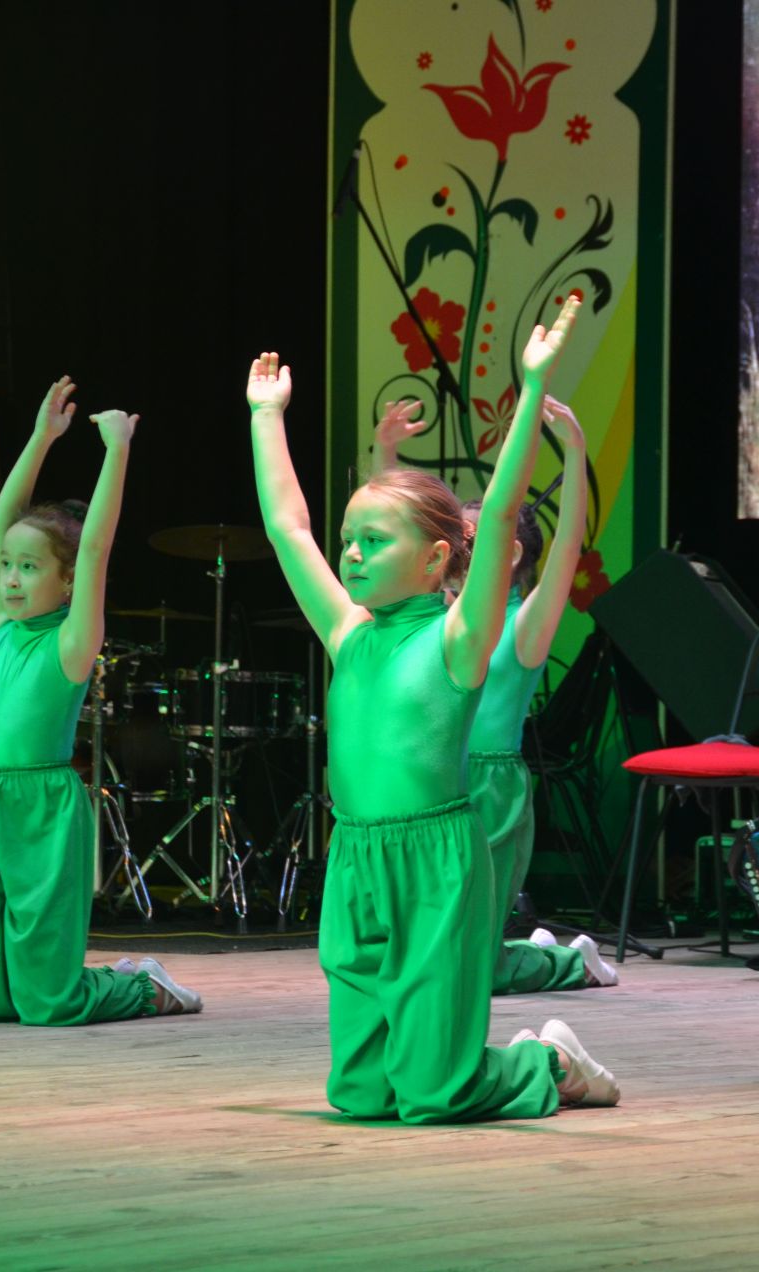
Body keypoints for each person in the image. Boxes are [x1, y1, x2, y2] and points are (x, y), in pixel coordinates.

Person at [248, 294, 619, 1123]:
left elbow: (496, 522)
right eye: (350, 539)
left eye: (374, 542)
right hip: (358, 860)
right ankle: (477, 1064)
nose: (350, 553)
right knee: (359, 1095)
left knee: (432, 1094)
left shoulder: (460, 640)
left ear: (437, 559)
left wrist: (530, 390)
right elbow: (285, 527)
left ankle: (545, 1061)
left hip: (438, 865)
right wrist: (266, 417)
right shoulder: (349, 633)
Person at [0, 375, 200, 1026]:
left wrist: (116, 449)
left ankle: (140, 987)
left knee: (47, 1003)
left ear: (66, 583)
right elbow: (1, 524)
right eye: (8, 566)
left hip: (42, 808)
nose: (9, 577)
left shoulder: (71, 643)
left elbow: (95, 544)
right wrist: (41, 438)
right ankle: (38, 983)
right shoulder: (1, 628)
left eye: (29, 568)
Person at [374, 396, 617, 994]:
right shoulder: (439, 616)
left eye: (469, 535)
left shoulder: (525, 624)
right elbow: (395, 532)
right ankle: (519, 948)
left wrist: (580, 451)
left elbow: (565, 553)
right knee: (428, 951)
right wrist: (386, 454)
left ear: (509, 553)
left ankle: (567, 961)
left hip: (491, 789)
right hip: (435, 778)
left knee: (468, 970)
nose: (455, 545)